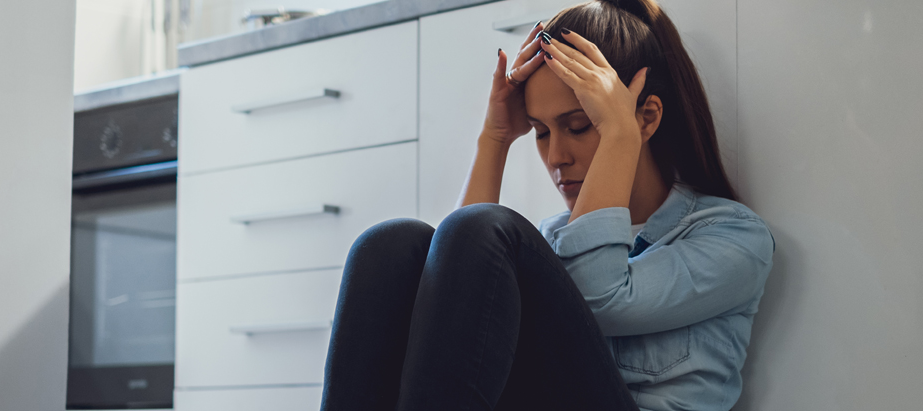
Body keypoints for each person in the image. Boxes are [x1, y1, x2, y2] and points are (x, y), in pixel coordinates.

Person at [319, 0, 775, 409]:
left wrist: (620, 133)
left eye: (579, 126)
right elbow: (439, 301)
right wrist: (495, 138)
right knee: (391, 246)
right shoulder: (550, 241)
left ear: (647, 117)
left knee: (484, 230)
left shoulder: (733, 238)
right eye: (541, 132)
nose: (556, 157)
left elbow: (601, 299)